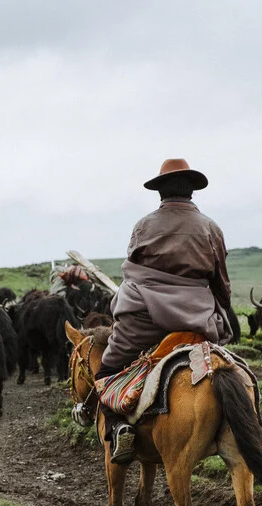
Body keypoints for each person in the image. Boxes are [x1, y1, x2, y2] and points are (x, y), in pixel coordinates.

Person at [94, 158, 234, 464]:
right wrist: (225, 314)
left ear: (160, 192)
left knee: (107, 370)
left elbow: (133, 270)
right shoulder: (211, 227)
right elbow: (221, 282)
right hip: (198, 319)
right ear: (191, 192)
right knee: (228, 369)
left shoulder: (144, 225)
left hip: (145, 317)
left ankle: (119, 430)